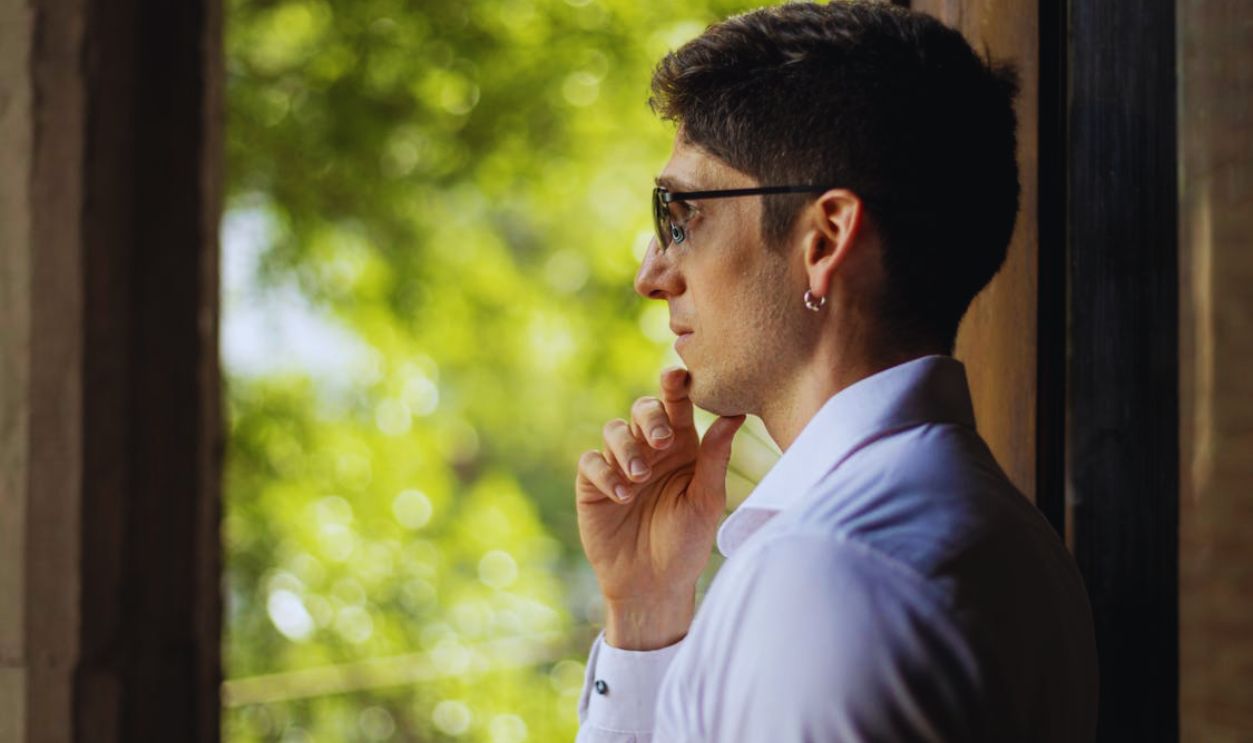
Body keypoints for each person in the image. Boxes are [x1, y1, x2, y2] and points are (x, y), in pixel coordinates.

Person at [572, 2, 1098, 741]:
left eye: (680, 213)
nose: (652, 273)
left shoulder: (828, 576)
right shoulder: (996, 531)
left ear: (822, 239)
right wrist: (647, 610)